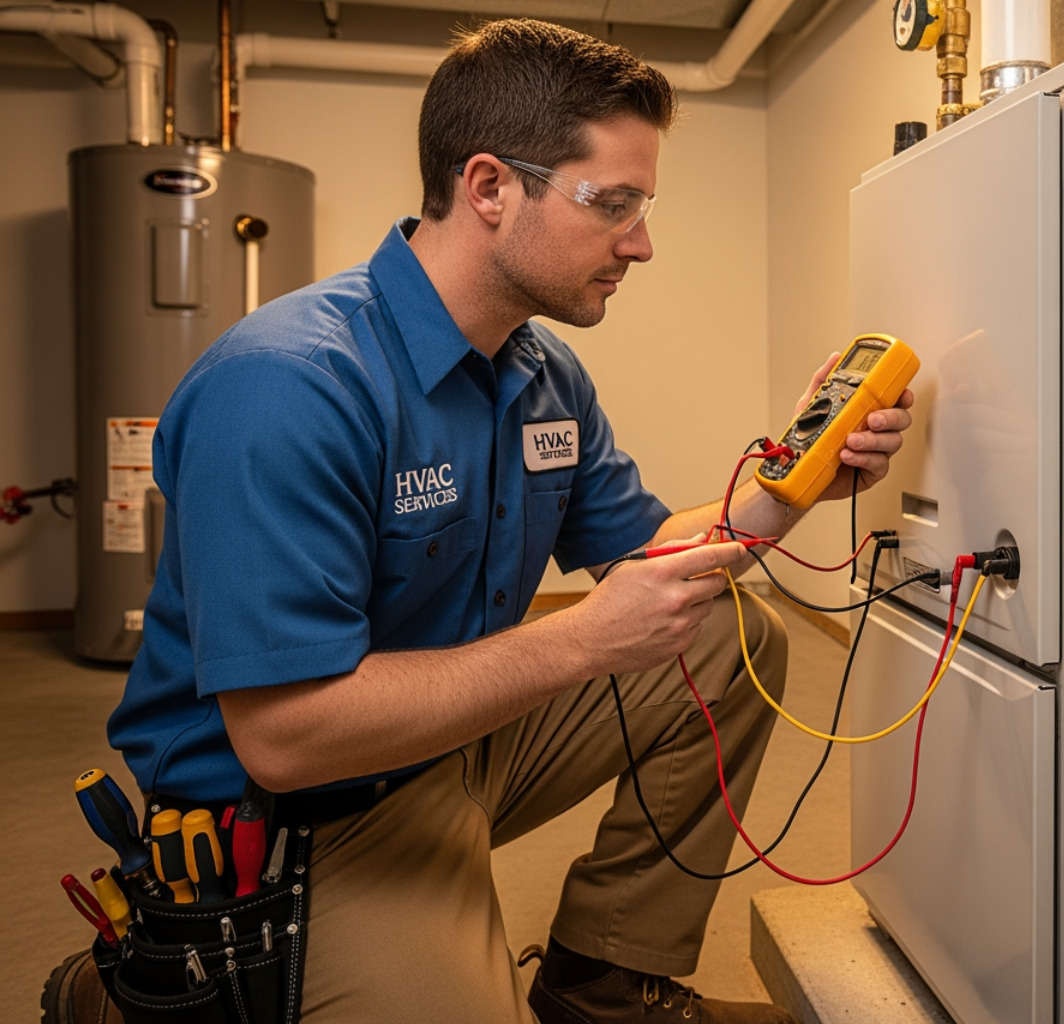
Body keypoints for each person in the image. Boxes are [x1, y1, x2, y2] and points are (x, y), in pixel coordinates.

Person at [103, 17, 913, 1024]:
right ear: (489, 187)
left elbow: (646, 558)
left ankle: (603, 978)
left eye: (643, 205)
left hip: (454, 736)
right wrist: (581, 638)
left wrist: (793, 491)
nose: (643, 243)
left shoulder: (540, 375)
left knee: (724, 633)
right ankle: (115, 994)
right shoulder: (288, 385)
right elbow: (284, 736)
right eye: (612, 204)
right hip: (302, 809)